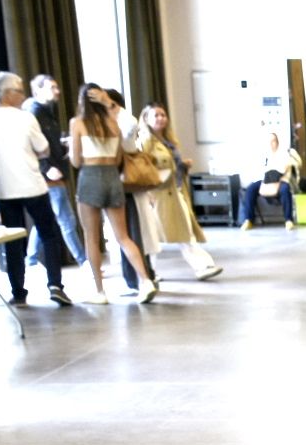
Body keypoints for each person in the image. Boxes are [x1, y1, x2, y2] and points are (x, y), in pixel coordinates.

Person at [0, 70, 72, 307]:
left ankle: (18, 292)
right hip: (32, 186)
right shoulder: (25, 118)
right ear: (7, 93)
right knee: (49, 234)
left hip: (4, 190)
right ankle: (55, 285)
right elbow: (44, 149)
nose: (22, 96)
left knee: (13, 241)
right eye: (19, 91)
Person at [70, 81, 158, 303]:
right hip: (112, 178)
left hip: (90, 177)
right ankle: (145, 280)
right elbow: (119, 158)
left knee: (92, 238)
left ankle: (100, 292)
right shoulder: (113, 123)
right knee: (123, 236)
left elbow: (76, 160)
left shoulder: (78, 123)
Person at [134, 103, 223, 281]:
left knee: (184, 231)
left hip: (175, 191)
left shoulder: (168, 141)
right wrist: (147, 192)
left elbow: (170, 165)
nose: (160, 118)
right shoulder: (145, 141)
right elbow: (142, 168)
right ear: (146, 119)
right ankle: (148, 272)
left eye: (163, 115)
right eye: (156, 115)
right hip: (158, 194)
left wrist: (182, 165)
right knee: (153, 236)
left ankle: (202, 265)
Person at [28, 74, 87, 269]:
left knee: (46, 219)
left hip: (53, 173)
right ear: (38, 90)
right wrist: (46, 168)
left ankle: (31, 260)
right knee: (66, 219)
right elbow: (30, 146)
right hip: (49, 175)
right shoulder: (34, 113)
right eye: (52, 87)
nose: (57, 91)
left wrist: (63, 144)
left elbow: (48, 143)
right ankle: (83, 260)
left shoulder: (47, 112)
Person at [237, 131, 298, 231]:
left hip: (280, 181)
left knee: (285, 190)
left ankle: (288, 220)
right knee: (250, 189)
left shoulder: (284, 154)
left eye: (273, 141)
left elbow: (280, 171)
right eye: (269, 142)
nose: (271, 144)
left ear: (277, 142)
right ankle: (248, 220)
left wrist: (270, 173)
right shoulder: (265, 155)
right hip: (265, 182)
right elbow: (262, 171)